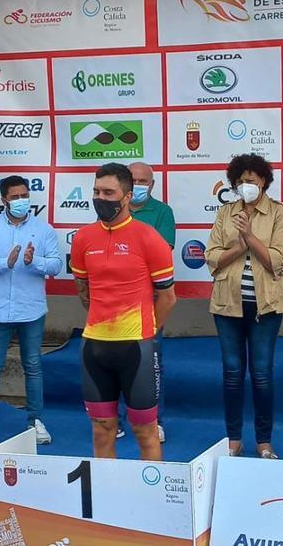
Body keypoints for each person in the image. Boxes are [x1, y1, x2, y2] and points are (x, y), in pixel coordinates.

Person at [70, 163, 176, 461]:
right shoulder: (83, 238)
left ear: (127, 196)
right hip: (94, 346)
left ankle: (151, 500)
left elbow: (168, 297)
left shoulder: (149, 237)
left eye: (108, 192)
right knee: (102, 430)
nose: (100, 198)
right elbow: (83, 290)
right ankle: (107, 498)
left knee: (146, 432)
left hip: (137, 348)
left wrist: (148, 332)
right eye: (96, 191)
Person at [205, 153, 283, 459]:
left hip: (265, 307)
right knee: (231, 373)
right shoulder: (226, 212)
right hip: (227, 306)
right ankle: (234, 440)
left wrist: (249, 236)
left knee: (262, 374)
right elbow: (212, 258)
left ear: (264, 181)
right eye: (240, 181)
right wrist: (239, 246)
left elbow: (277, 261)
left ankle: (264, 441)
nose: (246, 186)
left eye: (251, 180)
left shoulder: (278, 213)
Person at [0, 176, 63, 447]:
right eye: (15, 196)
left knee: (33, 366)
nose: (22, 201)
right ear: (4, 200)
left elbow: (56, 265)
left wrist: (35, 262)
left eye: (25, 195)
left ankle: (35, 422)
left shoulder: (43, 229)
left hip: (31, 310)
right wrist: (5, 262)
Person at [116, 161, 176, 443]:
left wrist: (125, 254)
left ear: (152, 185)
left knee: (151, 363)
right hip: (114, 301)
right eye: (134, 181)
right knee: (113, 363)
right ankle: (114, 420)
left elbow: (161, 253)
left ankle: (155, 422)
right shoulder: (113, 210)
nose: (139, 186)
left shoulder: (162, 212)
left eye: (145, 182)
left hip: (149, 302)